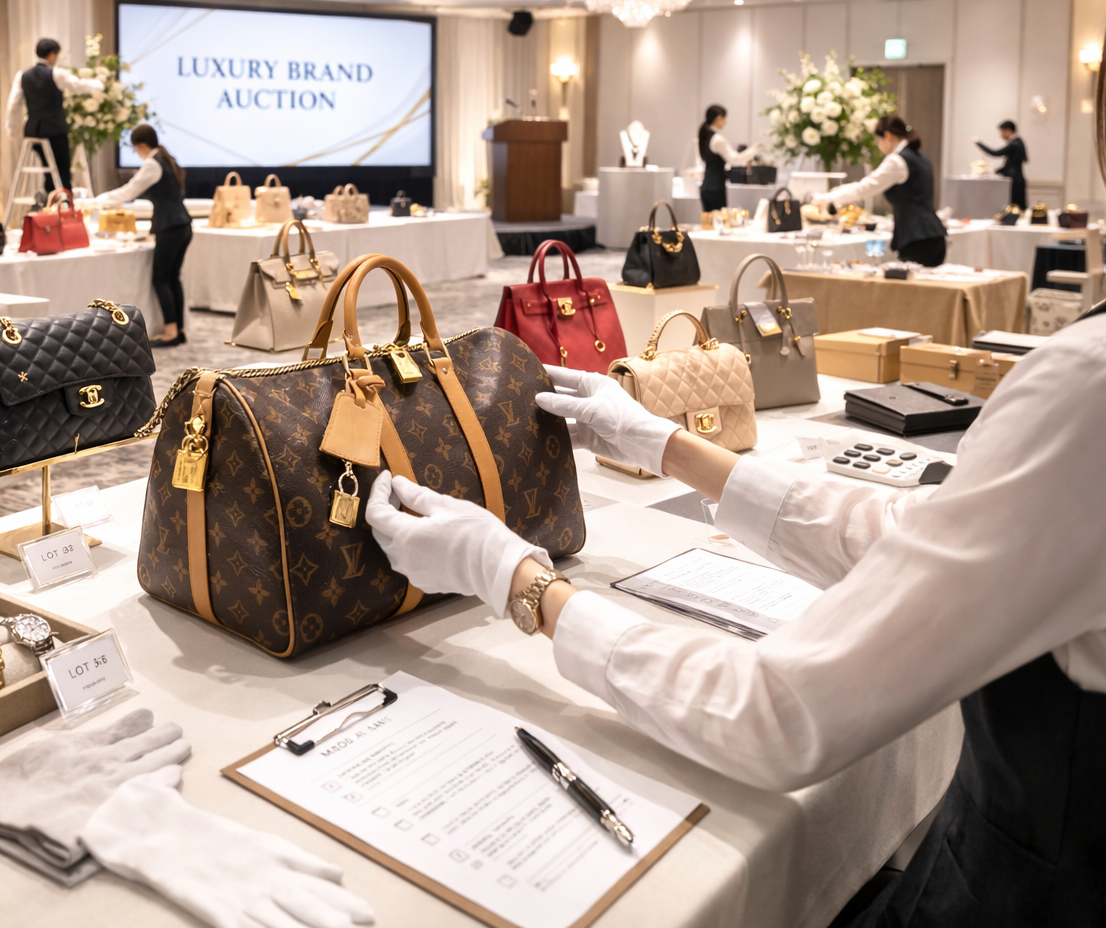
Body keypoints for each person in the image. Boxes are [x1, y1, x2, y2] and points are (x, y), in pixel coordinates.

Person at [366, 298, 1106, 926]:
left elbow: (777, 712)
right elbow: (917, 533)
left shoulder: (1086, 382)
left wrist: (517, 582)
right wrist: (666, 444)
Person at [83, 125, 193, 347]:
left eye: (135, 148)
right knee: (172, 278)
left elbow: (129, 191)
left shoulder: (153, 164)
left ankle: (171, 332)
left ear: (142, 145)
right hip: (182, 225)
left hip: (170, 227)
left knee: (161, 278)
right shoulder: (166, 160)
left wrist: (94, 202)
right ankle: (179, 330)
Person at [811, 114, 946, 266]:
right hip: (933, 236)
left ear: (887, 135)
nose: (878, 144)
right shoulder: (919, 156)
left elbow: (865, 188)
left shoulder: (897, 161)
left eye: (878, 140)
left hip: (917, 239)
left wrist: (827, 197)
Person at [4, 38, 103, 195]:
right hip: (54, 131)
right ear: (52, 54)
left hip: (33, 131)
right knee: (62, 170)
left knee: (49, 169)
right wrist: (98, 85)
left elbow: (13, 104)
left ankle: (49, 196)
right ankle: (63, 202)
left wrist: (10, 127)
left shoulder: (22, 76)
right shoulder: (56, 74)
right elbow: (77, 85)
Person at [697, 104, 763, 213]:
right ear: (719, 118)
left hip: (706, 187)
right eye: (724, 119)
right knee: (718, 220)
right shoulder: (717, 139)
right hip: (715, 188)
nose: (725, 122)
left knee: (709, 221)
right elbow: (734, 159)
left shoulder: (705, 136)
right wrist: (754, 149)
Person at [973, 120, 1028, 208]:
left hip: (1015, 181)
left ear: (1008, 130)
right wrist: (997, 171)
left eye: (1002, 131)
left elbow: (995, 153)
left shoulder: (1015, 144)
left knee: (1016, 208)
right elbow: (1011, 164)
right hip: (1017, 180)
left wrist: (978, 143)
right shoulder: (1018, 142)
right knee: (1016, 208)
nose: (1001, 135)